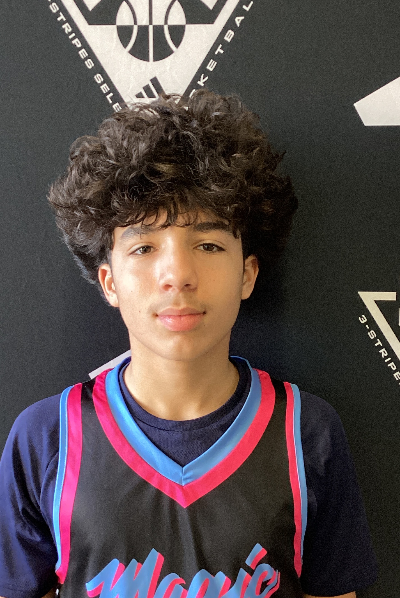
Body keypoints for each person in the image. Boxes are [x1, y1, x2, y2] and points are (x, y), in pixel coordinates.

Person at [0, 90, 376, 598]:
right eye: (144, 247)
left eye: (208, 244)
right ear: (109, 282)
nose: (177, 274)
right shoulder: (46, 440)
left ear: (247, 274)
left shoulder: (307, 433)